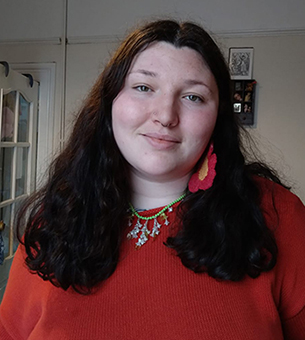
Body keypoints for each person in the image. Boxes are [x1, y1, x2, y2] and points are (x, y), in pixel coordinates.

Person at [0, 19, 305, 340]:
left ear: (219, 118)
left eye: (193, 97)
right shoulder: (52, 222)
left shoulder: (276, 216)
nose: (165, 115)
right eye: (143, 87)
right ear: (110, 103)